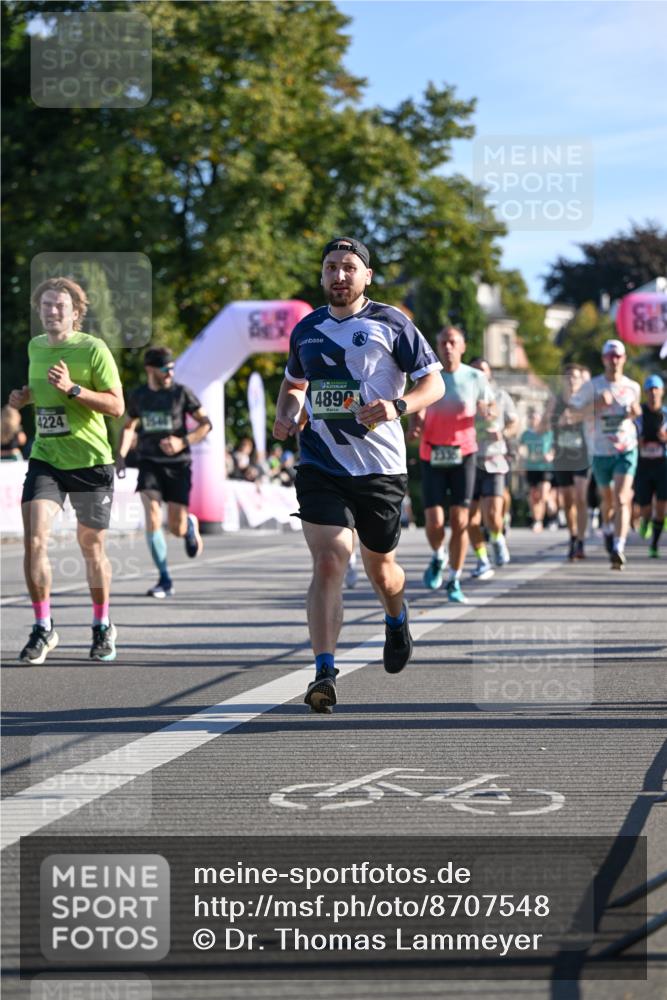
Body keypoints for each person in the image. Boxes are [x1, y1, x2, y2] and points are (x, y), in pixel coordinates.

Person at [273, 236, 443, 712]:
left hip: (380, 469)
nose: (339, 276)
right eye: (331, 267)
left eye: (349, 267)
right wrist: (286, 412)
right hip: (321, 463)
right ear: (322, 275)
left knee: (381, 569)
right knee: (330, 558)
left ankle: (396, 617)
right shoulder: (306, 329)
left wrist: (397, 406)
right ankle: (324, 672)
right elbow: (294, 384)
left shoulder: (392, 322)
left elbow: (434, 381)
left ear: (367, 275)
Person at [9, 276, 124, 663]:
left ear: (76, 314)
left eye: (60, 306)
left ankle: (102, 625)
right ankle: (43, 627)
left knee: (91, 548)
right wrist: (24, 397)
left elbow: (116, 406)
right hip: (47, 457)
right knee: (35, 540)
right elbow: (40, 394)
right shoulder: (35, 347)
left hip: (91, 461)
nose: (52, 311)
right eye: (46, 306)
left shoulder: (94, 349)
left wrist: (74, 389)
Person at [117, 347, 212, 598]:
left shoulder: (181, 394)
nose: (170, 373)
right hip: (149, 462)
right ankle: (164, 578)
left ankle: (189, 526)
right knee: (152, 515)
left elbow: (206, 424)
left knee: (176, 528)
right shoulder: (139, 396)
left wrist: (183, 441)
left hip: (178, 464)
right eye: (164, 368)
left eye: (172, 368)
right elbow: (129, 427)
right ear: (150, 369)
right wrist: (121, 456)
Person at [408, 329, 494, 602]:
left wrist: (488, 414)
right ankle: (438, 555)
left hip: (464, 453)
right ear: (436, 346)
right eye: (442, 342)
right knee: (434, 522)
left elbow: (489, 408)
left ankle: (454, 579)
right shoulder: (428, 375)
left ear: (463, 346)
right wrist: (416, 422)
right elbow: (417, 404)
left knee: (460, 520)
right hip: (432, 453)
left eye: (452, 342)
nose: (447, 347)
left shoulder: (475, 377)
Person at [565, 339, 641, 569]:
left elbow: (635, 413)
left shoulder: (633, 387)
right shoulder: (592, 386)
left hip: (625, 449)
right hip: (599, 451)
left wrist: (635, 413)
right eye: (610, 356)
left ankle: (618, 545)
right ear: (603, 359)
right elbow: (572, 416)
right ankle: (608, 527)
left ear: (624, 359)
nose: (614, 361)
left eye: (618, 356)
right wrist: (596, 405)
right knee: (607, 499)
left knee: (621, 498)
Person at [468, 358, 518, 576]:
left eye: (483, 371)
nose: (480, 374)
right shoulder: (463, 396)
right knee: (468, 519)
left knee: (493, 513)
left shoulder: (501, 396)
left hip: (495, 459)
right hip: (468, 460)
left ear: (490, 374)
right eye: (475, 371)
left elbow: (514, 423)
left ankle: (497, 539)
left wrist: (503, 434)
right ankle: (482, 560)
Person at [549, 363, 591, 560]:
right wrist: (557, 420)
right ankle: (573, 535)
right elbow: (546, 424)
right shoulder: (556, 400)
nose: (572, 380)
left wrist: (577, 417)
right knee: (567, 500)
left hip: (582, 454)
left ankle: (581, 541)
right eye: (568, 377)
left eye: (575, 377)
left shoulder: (586, 401)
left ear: (581, 380)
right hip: (562, 455)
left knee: (580, 496)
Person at [635, 374, 667, 558]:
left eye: (656, 389)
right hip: (644, 465)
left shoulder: (666, 414)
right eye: (650, 389)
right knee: (645, 508)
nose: (653, 393)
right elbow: (630, 434)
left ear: (661, 391)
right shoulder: (639, 414)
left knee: (662, 507)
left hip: (663, 465)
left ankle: (654, 544)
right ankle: (645, 520)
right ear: (646, 393)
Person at [519, 409, 554, 532]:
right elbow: (521, 450)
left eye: (536, 418)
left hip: (545, 467)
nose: (533, 420)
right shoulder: (526, 434)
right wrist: (521, 464)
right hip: (531, 467)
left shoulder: (548, 433)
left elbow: (554, 447)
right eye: (531, 418)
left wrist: (551, 455)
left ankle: (550, 500)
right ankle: (537, 521)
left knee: (543, 494)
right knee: (534, 497)